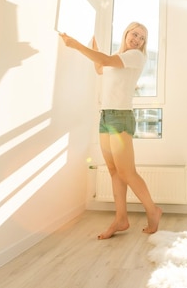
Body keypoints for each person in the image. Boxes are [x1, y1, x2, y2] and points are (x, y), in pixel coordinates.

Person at [59, 22, 162, 239]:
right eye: (135, 34)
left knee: (127, 171)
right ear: (126, 33)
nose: (137, 39)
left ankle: (153, 210)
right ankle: (121, 219)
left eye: (142, 38)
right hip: (106, 116)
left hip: (121, 117)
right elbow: (100, 67)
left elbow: (104, 61)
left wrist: (77, 45)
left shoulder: (135, 56)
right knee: (114, 171)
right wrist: (93, 46)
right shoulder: (118, 55)